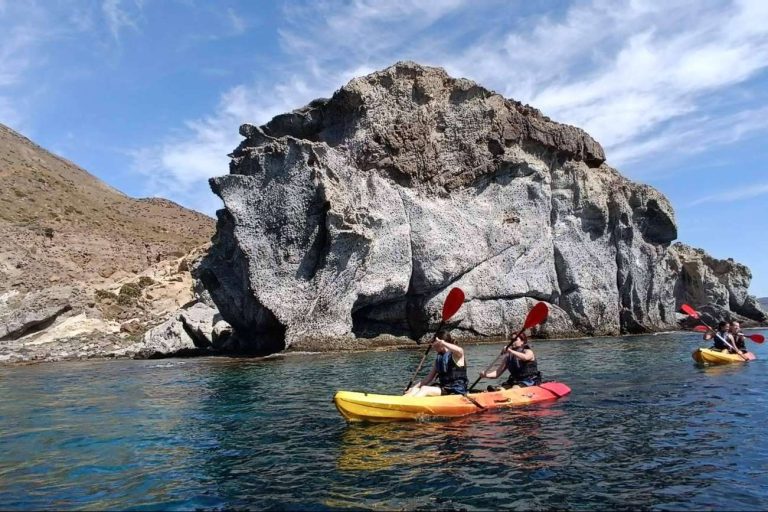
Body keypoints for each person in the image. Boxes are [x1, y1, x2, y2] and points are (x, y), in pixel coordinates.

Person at [404, 331, 468, 397]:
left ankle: (410, 405)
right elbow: (428, 379)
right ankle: (401, 403)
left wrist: (443, 343)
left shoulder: (456, 355)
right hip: (444, 388)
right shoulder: (439, 359)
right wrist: (413, 388)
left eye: (434, 342)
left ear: (440, 343)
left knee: (425, 389)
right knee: (414, 390)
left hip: (456, 390)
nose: (433, 345)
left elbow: (460, 350)